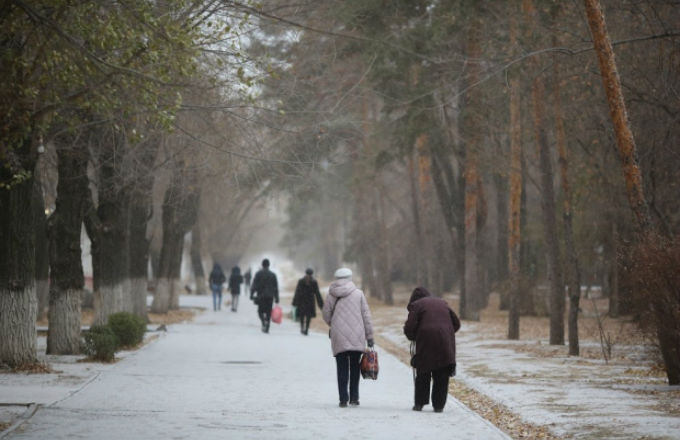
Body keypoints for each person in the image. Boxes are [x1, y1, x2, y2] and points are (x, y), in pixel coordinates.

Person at [403, 286, 461, 413]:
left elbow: (409, 327)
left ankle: (419, 403)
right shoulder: (442, 303)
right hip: (445, 341)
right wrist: (447, 332)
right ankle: (439, 405)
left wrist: (413, 336)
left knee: (423, 371)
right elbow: (456, 323)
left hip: (426, 341)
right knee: (442, 373)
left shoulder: (417, 305)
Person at [322, 268, 374, 408]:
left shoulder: (331, 294)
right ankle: (354, 398)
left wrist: (334, 324)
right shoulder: (359, 294)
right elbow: (366, 316)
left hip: (338, 335)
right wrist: (370, 336)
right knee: (355, 367)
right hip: (357, 335)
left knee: (341, 368)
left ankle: (343, 399)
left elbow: (326, 315)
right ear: (350, 277)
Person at [250, 258, 279, 333]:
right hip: (270, 296)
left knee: (260, 311)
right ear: (269, 265)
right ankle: (267, 326)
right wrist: (277, 297)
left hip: (261, 296)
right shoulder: (273, 275)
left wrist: (252, 294)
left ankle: (263, 321)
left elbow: (254, 284)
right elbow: (275, 287)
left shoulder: (258, 274)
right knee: (269, 311)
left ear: (262, 265)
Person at [292, 268, 324, 335]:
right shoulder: (314, 282)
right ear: (312, 274)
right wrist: (321, 304)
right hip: (310, 301)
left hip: (302, 300)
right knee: (308, 316)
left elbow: (297, 292)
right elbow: (317, 293)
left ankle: (302, 328)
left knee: (302, 315)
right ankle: (306, 329)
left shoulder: (301, 281)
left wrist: (294, 302)